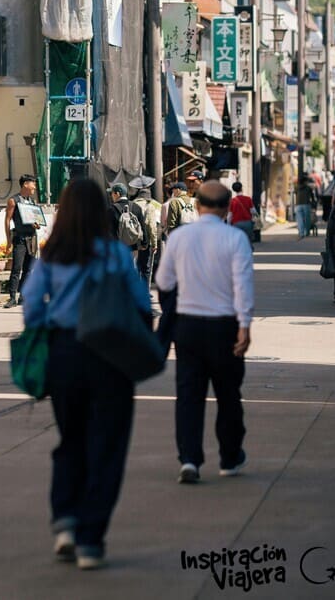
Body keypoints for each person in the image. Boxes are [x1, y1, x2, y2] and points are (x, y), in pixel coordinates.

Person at [22, 178, 151, 570]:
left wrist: (45, 333)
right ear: (100, 211)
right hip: (110, 354)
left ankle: (65, 519)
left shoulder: (53, 254)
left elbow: (32, 302)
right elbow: (141, 303)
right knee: (108, 445)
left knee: (71, 439)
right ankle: (90, 539)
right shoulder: (116, 254)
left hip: (64, 352)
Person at [155, 180, 254, 485]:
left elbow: (164, 281)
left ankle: (189, 459)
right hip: (224, 325)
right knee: (228, 393)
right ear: (227, 209)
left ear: (197, 206)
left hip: (188, 325)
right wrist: (244, 326)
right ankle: (230, 456)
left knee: (189, 395)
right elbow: (243, 285)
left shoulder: (179, 238)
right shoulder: (236, 239)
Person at [4, 175, 40, 309]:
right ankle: (12, 297)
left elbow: (36, 220)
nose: (34, 187)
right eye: (33, 184)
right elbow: (7, 220)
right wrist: (8, 240)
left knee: (28, 269)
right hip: (19, 239)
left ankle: (23, 297)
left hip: (32, 239)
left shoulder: (32, 202)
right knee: (16, 268)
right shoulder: (13, 201)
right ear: (25, 184)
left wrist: (37, 224)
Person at [129, 176, 161, 291]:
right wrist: (154, 243)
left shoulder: (131, 204)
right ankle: (145, 292)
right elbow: (152, 227)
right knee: (146, 268)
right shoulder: (151, 206)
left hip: (133, 241)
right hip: (146, 241)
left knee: (134, 266)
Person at [107, 183, 146, 253]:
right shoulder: (136, 207)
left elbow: (109, 230)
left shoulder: (111, 209)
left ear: (117, 194)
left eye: (112, 193)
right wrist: (144, 243)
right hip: (134, 246)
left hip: (118, 248)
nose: (111, 196)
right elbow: (143, 226)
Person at [228, 182, 256, 247]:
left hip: (236, 224)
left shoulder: (232, 201)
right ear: (241, 188)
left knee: (237, 242)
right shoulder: (248, 199)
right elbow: (253, 211)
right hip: (247, 223)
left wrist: (228, 225)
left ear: (234, 190)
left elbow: (229, 216)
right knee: (248, 241)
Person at [294, 173, 315, 239]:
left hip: (298, 204)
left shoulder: (296, 188)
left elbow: (296, 194)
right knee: (307, 219)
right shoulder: (308, 188)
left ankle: (301, 232)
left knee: (299, 219)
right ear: (305, 181)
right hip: (306, 204)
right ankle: (307, 232)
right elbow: (312, 197)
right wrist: (314, 205)